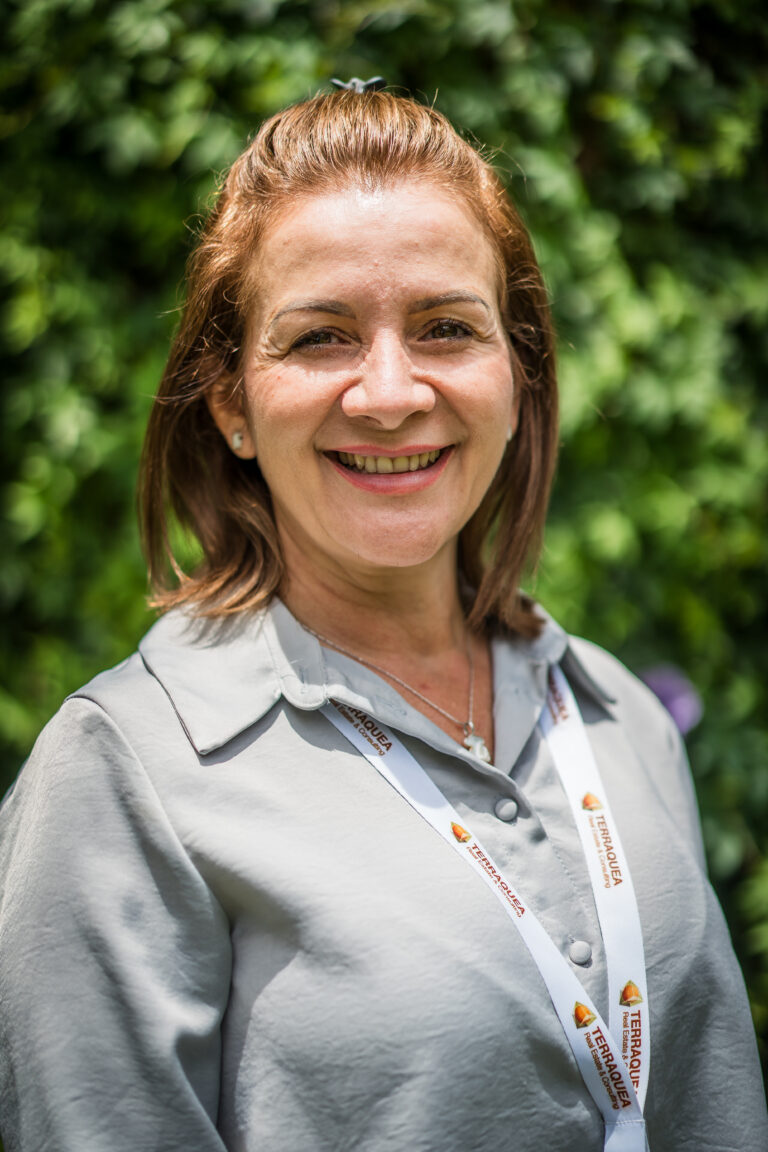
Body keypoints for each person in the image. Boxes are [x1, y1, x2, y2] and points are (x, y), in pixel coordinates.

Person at [0, 85, 765, 1152]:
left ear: (518, 375)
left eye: (447, 328)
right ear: (231, 403)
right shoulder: (128, 772)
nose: (392, 393)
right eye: (321, 337)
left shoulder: (615, 716)